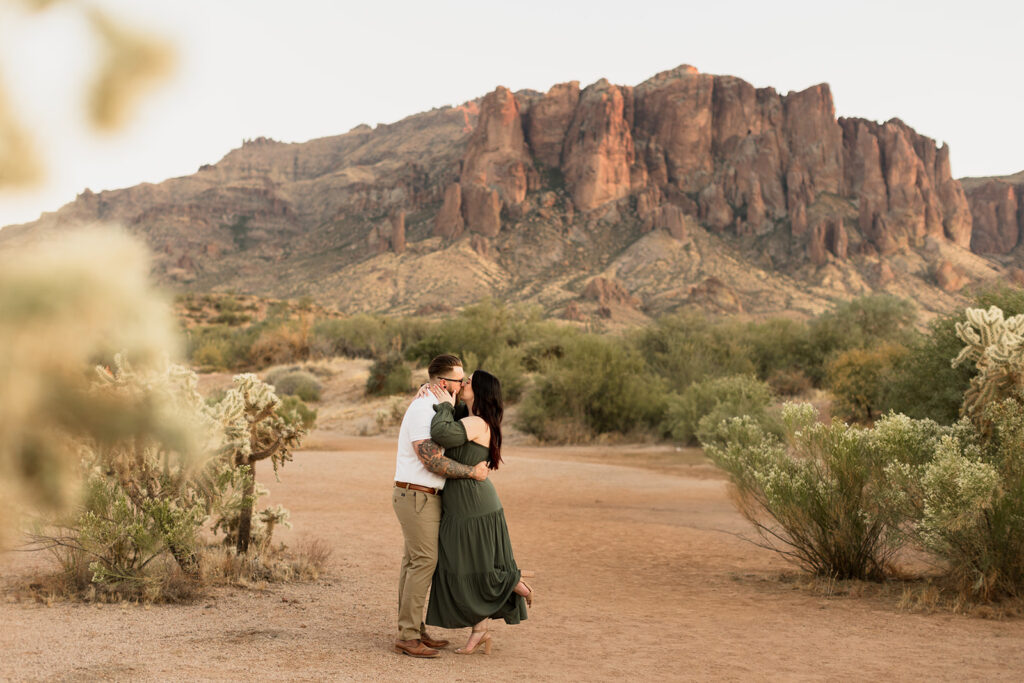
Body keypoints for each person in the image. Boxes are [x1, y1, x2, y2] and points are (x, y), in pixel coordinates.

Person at [424, 369, 534, 655]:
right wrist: (445, 395)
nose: (464, 384)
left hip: (473, 505)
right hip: (466, 501)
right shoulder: (469, 416)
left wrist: (445, 404)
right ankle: (480, 630)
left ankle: (511, 583)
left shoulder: (476, 422)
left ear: (481, 390)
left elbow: (441, 433)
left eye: (469, 381)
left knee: (465, 564)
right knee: (466, 564)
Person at [392, 354, 490, 659]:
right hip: (417, 495)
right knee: (423, 562)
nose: (462, 385)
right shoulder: (424, 409)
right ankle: (408, 636)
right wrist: (471, 472)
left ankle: (413, 630)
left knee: (413, 563)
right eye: (459, 380)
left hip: (421, 496)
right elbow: (431, 460)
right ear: (445, 383)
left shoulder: (435, 404)